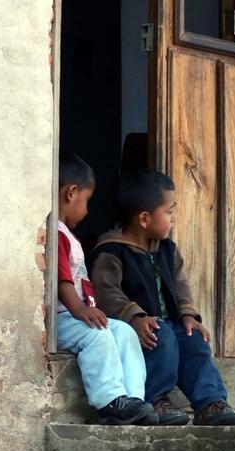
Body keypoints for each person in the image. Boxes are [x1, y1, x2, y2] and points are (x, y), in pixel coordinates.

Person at [88, 168, 235, 426]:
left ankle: (210, 401)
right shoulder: (112, 251)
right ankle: (155, 400)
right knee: (162, 336)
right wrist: (135, 317)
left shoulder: (167, 250)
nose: (174, 218)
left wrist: (188, 315)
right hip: (138, 330)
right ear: (144, 218)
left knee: (194, 341)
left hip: (168, 324)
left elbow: (180, 284)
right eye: (169, 212)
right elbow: (106, 291)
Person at [56, 154, 156, 425]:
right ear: (71, 193)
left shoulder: (67, 234)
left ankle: (134, 400)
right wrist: (80, 310)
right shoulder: (57, 233)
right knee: (97, 336)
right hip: (64, 318)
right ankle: (110, 401)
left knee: (124, 331)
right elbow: (62, 280)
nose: (87, 210)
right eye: (87, 200)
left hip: (76, 315)